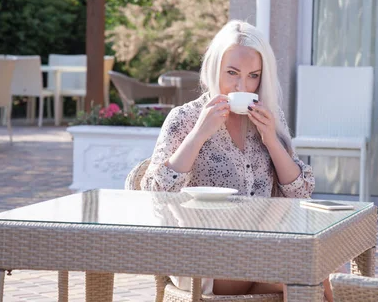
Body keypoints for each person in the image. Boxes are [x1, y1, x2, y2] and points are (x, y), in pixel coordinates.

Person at [141, 20, 336, 300]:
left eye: (253, 76)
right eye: (232, 73)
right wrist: (198, 135)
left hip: (260, 252)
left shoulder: (269, 117)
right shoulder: (184, 118)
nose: (241, 85)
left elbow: (301, 192)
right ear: (214, 69)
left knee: (323, 269)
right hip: (202, 259)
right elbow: (153, 195)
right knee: (307, 270)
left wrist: (271, 140)